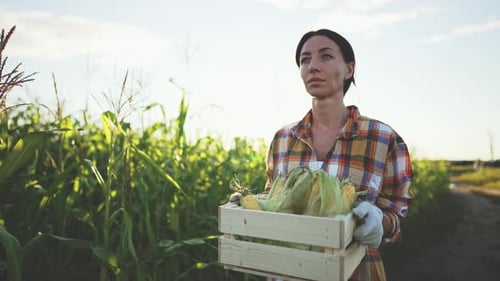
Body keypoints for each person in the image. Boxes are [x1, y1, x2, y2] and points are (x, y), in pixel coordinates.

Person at [263, 29, 414, 281]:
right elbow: (272, 203)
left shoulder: (383, 138)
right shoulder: (282, 139)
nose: (313, 66)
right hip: (287, 274)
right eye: (305, 60)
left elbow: (396, 216)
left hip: (357, 273)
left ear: (349, 70)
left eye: (326, 56)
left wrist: (379, 222)